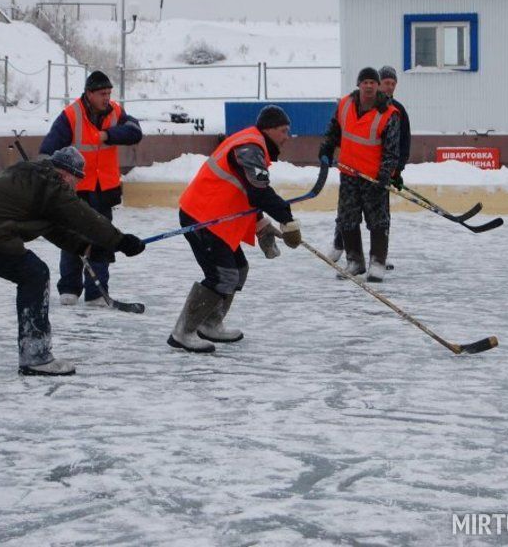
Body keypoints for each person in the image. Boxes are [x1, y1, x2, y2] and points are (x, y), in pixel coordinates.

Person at [0, 146, 146, 376]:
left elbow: (52, 228)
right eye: (76, 181)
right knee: (34, 274)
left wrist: (88, 249)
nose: (75, 188)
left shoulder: (31, 176)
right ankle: (35, 356)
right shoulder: (52, 183)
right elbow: (84, 217)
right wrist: (120, 241)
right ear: (67, 174)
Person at [168, 105, 302, 354]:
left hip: (216, 219)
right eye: (284, 130)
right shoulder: (250, 147)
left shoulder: (253, 146)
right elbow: (259, 191)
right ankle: (183, 332)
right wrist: (287, 220)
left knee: (238, 270)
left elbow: (246, 190)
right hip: (202, 217)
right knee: (223, 275)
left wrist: (261, 224)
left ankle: (210, 323)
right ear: (269, 129)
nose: (287, 137)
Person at [40, 70, 143, 308]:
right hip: (76, 191)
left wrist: (108, 135)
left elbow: (135, 132)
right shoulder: (71, 115)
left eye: (109, 93)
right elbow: (48, 149)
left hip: (104, 190)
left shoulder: (116, 111)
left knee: (103, 238)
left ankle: (97, 292)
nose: (107, 98)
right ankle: (69, 288)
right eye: (102, 94)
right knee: (72, 239)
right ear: (89, 94)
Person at [319, 67, 400, 282]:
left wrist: (385, 174)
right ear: (359, 84)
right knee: (347, 218)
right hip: (348, 173)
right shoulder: (345, 105)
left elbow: (392, 150)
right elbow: (334, 131)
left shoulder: (389, 114)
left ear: (378, 86)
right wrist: (326, 149)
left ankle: (377, 263)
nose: (369, 86)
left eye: (373, 82)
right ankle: (354, 262)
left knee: (378, 221)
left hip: (373, 179)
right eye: (365, 82)